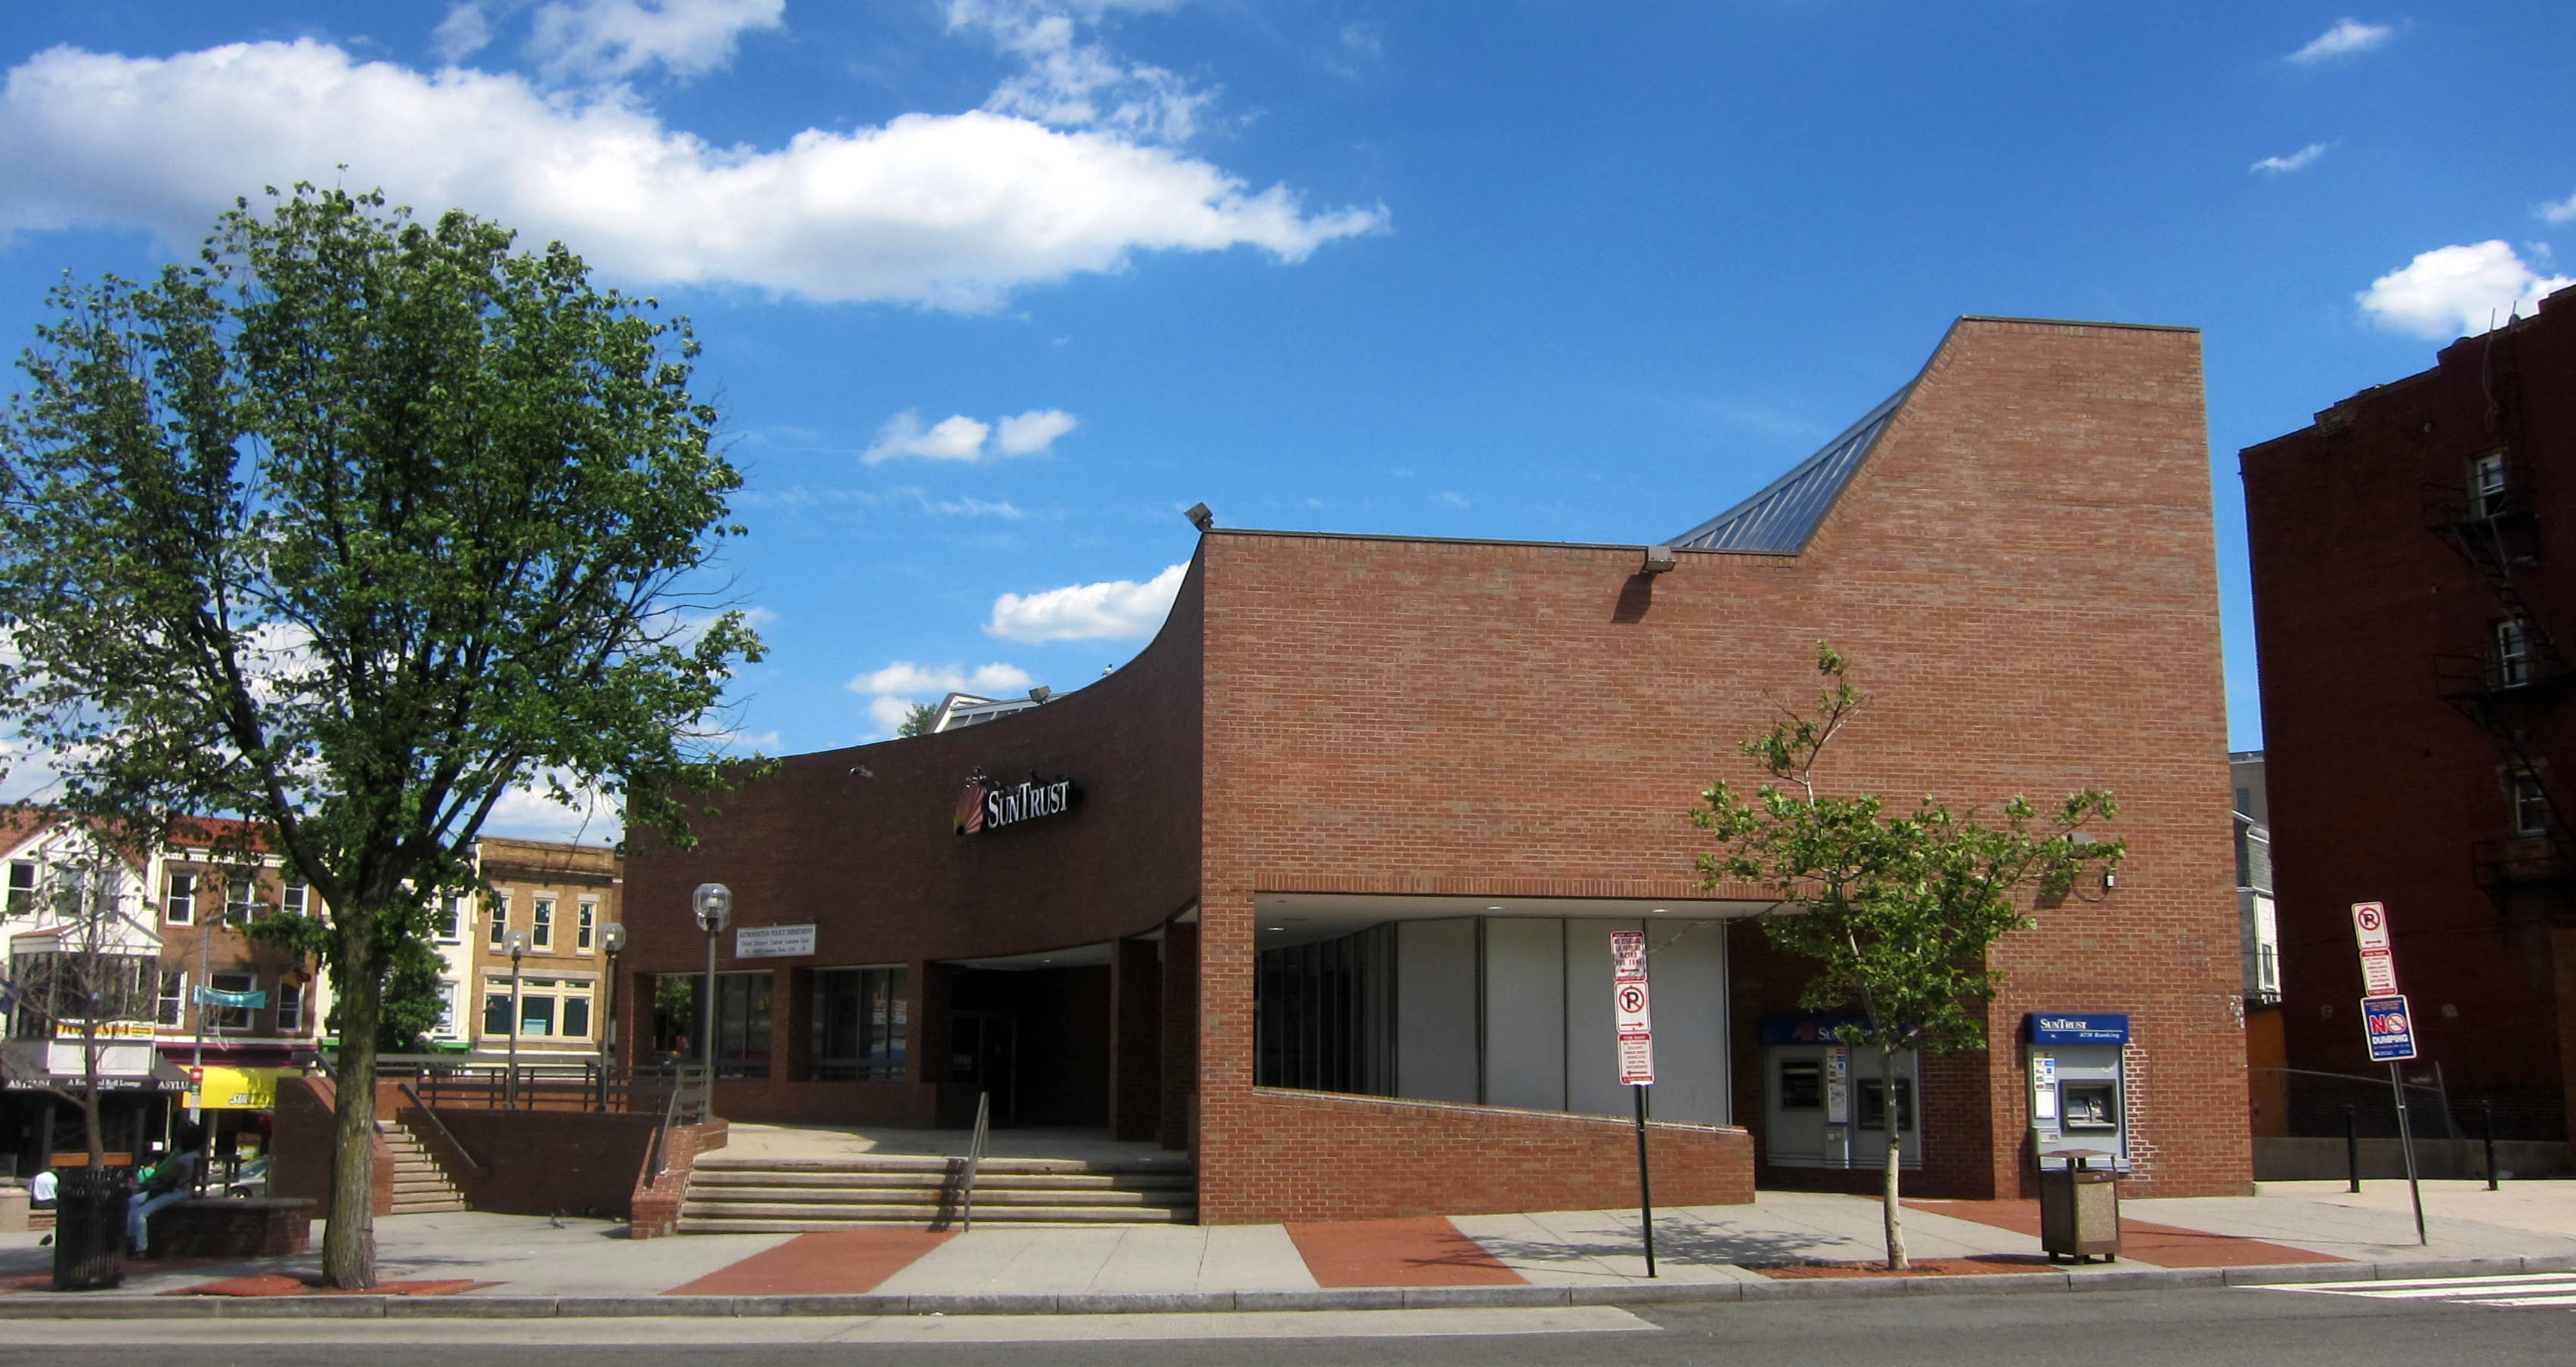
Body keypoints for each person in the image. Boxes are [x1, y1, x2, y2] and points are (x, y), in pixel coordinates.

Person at [126, 1126, 201, 1257]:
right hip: (183, 1190)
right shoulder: (196, 1155)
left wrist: (158, 1179)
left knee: (140, 1213)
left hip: (178, 1192)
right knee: (133, 1201)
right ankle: (131, 1236)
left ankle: (140, 1249)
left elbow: (168, 1179)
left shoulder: (183, 1159)